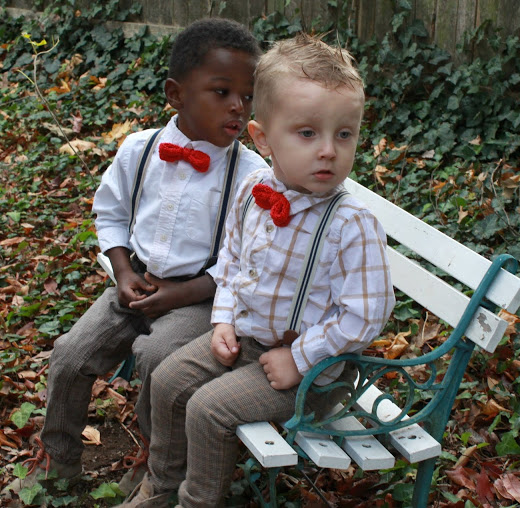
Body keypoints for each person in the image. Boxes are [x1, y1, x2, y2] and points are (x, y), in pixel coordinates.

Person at [118, 32, 396, 507]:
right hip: (245, 340)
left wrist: (302, 359)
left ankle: (197, 500)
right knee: (166, 379)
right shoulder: (252, 192)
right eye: (308, 133)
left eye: (343, 133)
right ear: (263, 138)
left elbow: (364, 316)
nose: (328, 150)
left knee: (208, 409)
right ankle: (161, 484)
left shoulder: (352, 225)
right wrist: (224, 317)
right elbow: (231, 265)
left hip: (313, 375)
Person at [4, 17, 268, 498]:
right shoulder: (140, 150)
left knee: (156, 354)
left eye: (248, 96)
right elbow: (109, 215)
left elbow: (246, 261)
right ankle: (58, 457)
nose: (238, 106)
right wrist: (123, 272)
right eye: (222, 91)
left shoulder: (251, 176)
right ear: (176, 94)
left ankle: (156, 457)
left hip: (200, 299)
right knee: (71, 353)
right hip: (135, 283)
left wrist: (186, 292)